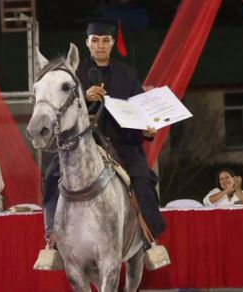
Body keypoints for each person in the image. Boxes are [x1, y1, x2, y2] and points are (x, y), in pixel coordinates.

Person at [42, 19, 166, 249]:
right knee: (51, 177)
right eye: (95, 41)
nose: (100, 45)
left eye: (106, 41)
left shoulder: (127, 74)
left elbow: (141, 110)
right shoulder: (73, 73)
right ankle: (52, 241)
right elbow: (60, 109)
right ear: (87, 43)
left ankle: (149, 241)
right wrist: (83, 97)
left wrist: (149, 129)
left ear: (112, 44)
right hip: (81, 143)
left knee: (143, 181)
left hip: (122, 145)